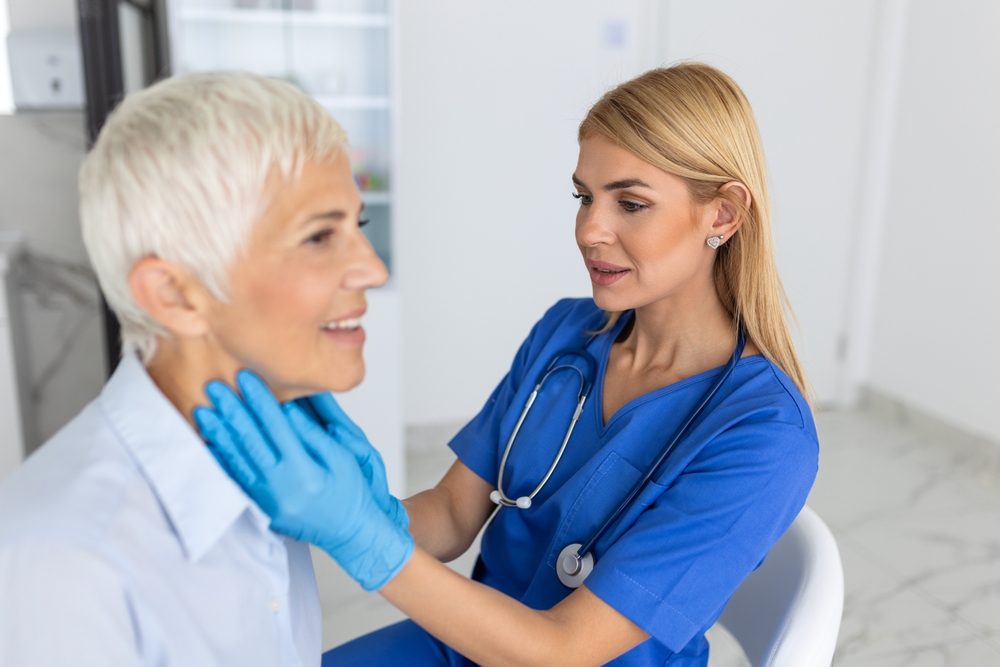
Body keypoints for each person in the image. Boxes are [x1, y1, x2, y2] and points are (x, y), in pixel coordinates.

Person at [199, 63, 819, 667]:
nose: (589, 231)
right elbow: (452, 515)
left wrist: (364, 539)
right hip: (475, 639)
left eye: (630, 203)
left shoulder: (765, 435)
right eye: (583, 197)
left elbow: (566, 651)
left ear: (723, 214)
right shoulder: (568, 334)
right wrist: (364, 506)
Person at [0, 71, 389, 665]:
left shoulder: (268, 474)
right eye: (319, 237)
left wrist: (370, 523)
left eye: (356, 226)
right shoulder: (66, 563)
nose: (372, 269)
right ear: (174, 295)